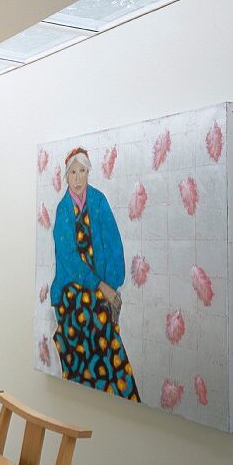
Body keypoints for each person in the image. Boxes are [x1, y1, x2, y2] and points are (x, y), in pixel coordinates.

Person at [50, 147, 140, 400]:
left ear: (88, 174)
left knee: (103, 317)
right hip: (71, 286)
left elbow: (114, 247)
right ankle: (89, 388)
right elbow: (69, 260)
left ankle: (118, 393)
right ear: (66, 177)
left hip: (101, 284)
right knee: (90, 312)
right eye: (73, 173)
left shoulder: (99, 201)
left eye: (82, 172)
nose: (78, 178)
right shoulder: (63, 210)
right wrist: (101, 287)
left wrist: (111, 284)